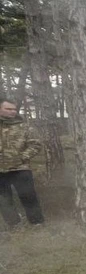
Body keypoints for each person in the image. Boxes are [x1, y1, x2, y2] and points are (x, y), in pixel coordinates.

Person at [0, 97, 44, 227]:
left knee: (28, 196)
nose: (12, 112)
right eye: (8, 109)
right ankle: (14, 225)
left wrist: (22, 157)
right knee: (3, 199)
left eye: (14, 109)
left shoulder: (25, 126)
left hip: (20, 168)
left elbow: (35, 145)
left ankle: (37, 223)